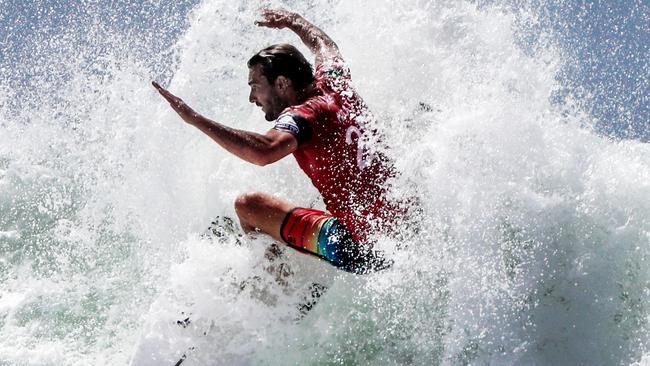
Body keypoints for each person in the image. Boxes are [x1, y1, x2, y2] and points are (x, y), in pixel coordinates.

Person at [153, 9, 403, 274]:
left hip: (363, 250)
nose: (252, 97)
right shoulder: (336, 82)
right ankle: (297, 256)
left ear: (282, 83)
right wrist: (291, 20)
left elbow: (264, 150)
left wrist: (194, 118)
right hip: (402, 234)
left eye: (255, 85)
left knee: (248, 206)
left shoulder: (305, 114)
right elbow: (324, 44)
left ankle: (273, 289)